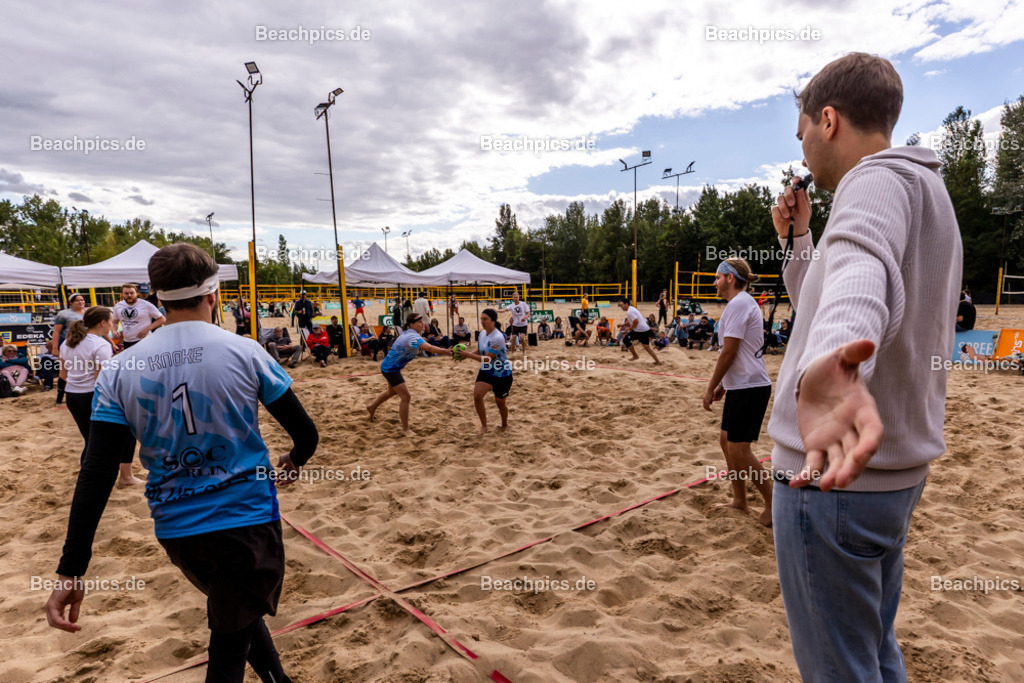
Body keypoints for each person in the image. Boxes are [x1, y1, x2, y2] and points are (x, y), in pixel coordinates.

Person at [767, 53, 961, 682]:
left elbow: (859, 280)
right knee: (873, 650)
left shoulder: (872, 183)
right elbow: (837, 288)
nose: (801, 153)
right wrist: (800, 242)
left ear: (828, 120)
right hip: (893, 472)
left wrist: (832, 367)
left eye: (800, 134)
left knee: (838, 669)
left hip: (830, 476)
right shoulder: (925, 188)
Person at [46, 243, 318, 683]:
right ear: (213, 295)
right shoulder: (245, 350)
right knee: (230, 638)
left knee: (238, 611)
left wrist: (71, 569)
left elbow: (95, 474)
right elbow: (306, 434)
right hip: (244, 520)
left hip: (177, 529)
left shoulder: (118, 369)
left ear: (157, 298)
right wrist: (295, 459)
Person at [702, 259, 774, 526]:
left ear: (730, 278)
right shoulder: (740, 304)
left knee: (739, 450)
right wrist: (724, 385)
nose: (715, 282)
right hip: (742, 385)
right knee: (726, 441)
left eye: (717, 277)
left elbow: (729, 352)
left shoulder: (740, 303)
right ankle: (740, 500)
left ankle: (773, 504)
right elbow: (736, 351)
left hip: (751, 386)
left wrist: (710, 387)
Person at [58, 306, 144, 486]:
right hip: (93, 394)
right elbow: (101, 378)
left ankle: (88, 478)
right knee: (126, 432)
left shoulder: (67, 343)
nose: (113, 326)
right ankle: (126, 477)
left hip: (73, 395)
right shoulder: (100, 344)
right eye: (112, 321)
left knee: (90, 439)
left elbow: (63, 375)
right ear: (102, 323)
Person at [365, 313, 453, 436]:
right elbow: (430, 349)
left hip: (389, 366)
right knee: (406, 396)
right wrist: (446, 351)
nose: (422, 324)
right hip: (391, 369)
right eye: (419, 322)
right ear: (411, 324)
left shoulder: (409, 333)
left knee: (391, 392)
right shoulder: (412, 336)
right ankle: (406, 429)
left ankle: (372, 407)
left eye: (422, 321)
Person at [456, 308, 513, 435]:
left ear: (493, 321)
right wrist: (465, 355)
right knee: (477, 396)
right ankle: (484, 426)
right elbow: (480, 352)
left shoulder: (498, 337)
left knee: (500, 403)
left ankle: (504, 424)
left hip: (502, 373)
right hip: (487, 371)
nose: (482, 321)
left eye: (485, 319)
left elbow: (487, 358)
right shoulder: (482, 334)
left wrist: (468, 355)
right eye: (481, 319)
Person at [52, 293, 87, 404]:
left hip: (84, 344)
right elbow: (56, 332)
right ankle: (60, 395)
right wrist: (55, 348)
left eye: (82, 300)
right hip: (68, 344)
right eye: (78, 300)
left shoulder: (88, 313)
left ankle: (81, 393)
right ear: (71, 302)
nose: (81, 302)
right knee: (65, 370)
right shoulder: (63, 314)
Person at [113, 283, 166, 350]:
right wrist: (114, 330)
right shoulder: (118, 306)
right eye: (126, 293)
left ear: (136, 293)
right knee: (132, 360)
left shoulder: (146, 304)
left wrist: (147, 329)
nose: (129, 295)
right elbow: (115, 321)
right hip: (127, 341)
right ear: (122, 294)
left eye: (132, 293)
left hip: (144, 340)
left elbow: (162, 319)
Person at [618, 298, 662, 365]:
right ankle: (658, 361)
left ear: (626, 304)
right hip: (645, 329)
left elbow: (636, 321)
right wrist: (623, 325)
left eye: (621, 305)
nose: (621, 306)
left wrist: (630, 329)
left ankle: (635, 356)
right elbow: (632, 321)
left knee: (626, 340)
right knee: (647, 348)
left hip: (639, 330)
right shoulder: (632, 308)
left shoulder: (630, 312)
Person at [502, 291, 530, 355]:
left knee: (522, 338)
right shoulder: (511, 306)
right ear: (512, 298)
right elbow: (504, 310)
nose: (515, 298)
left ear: (519, 297)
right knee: (513, 338)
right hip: (515, 325)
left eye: (516, 297)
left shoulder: (523, 304)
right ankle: (512, 352)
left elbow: (528, 313)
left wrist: (525, 317)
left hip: (523, 324)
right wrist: (497, 311)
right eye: (514, 297)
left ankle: (524, 351)